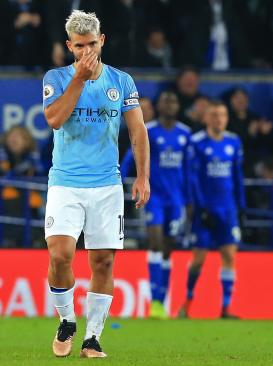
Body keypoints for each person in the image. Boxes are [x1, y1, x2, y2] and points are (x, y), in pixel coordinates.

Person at [43, 10, 150, 358]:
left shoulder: (121, 82)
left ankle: (92, 338)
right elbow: (55, 120)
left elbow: (137, 130)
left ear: (101, 41)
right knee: (60, 256)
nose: (86, 51)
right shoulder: (57, 78)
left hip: (106, 185)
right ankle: (66, 320)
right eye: (79, 46)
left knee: (102, 262)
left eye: (91, 44)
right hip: (65, 183)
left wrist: (143, 176)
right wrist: (79, 79)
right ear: (69, 46)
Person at [121, 91, 191, 319]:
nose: (170, 104)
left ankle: (161, 299)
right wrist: (118, 179)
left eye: (173, 100)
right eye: (166, 101)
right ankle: (155, 302)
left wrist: (190, 201)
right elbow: (131, 157)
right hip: (155, 198)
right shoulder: (148, 130)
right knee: (155, 242)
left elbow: (191, 171)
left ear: (178, 106)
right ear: (159, 106)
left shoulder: (185, 134)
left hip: (177, 200)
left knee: (168, 250)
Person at [178, 101, 245, 319]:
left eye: (223, 114)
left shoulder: (234, 142)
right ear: (206, 118)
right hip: (204, 210)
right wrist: (199, 206)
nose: (219, 119)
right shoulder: (196, 143)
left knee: (229, 255)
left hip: (228, 209)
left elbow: (237, 176)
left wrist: (241, 205)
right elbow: (192, 177)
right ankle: (188, 301)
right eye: (215, 115)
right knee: (199, 259)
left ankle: (226, 307)